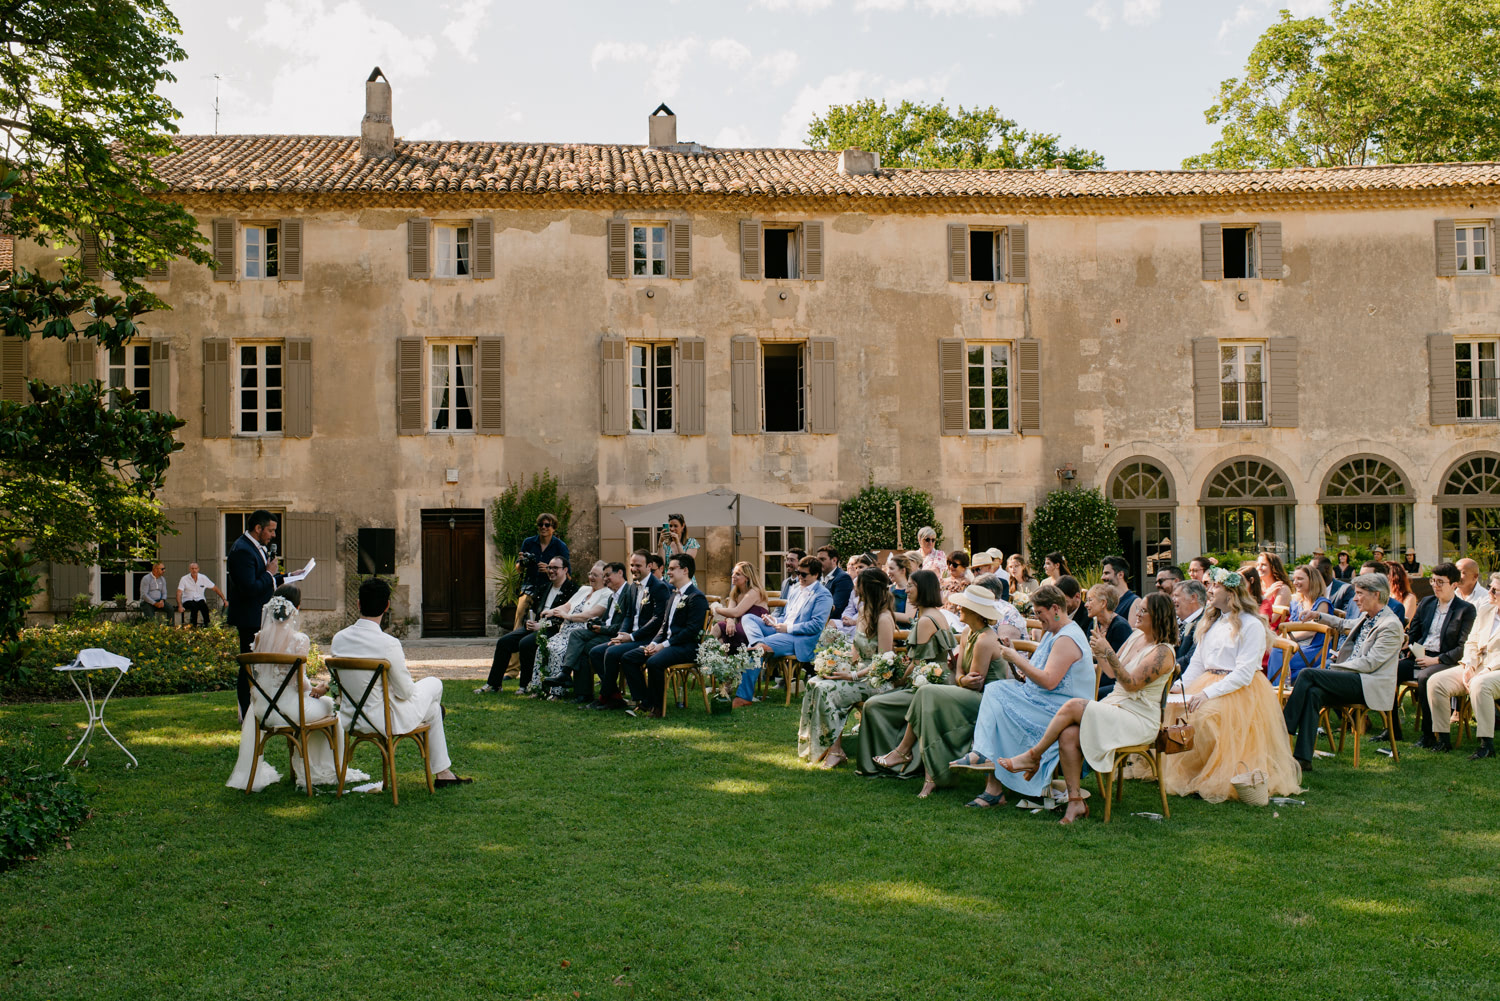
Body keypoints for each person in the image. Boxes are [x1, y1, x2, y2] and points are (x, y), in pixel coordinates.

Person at [997, 592, 1178, 825]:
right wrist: (1100, 652)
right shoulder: (1136, 638)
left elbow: (1132, 684)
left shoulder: (1163, 652)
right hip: (1116, 707)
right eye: (1140, 608)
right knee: (1068, 734)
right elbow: (1112, 674)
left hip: (1139, 718)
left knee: (1072, 705)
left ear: (1158, 616)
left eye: (1144, 611)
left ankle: (1034, 755)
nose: (1138, 613)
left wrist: (1109, 651)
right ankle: (1075, 802)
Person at [1160, 567, 1301, 803]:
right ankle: (1193, 772)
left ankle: (1219, 776)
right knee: (1177, 709)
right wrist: (1180, 686)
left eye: (1216, 586)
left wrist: (1206, 693)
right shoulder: (1211, 622)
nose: (1210, 591)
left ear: (1231, 593)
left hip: (1239, 688)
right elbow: (1197, 663)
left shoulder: (1251, 624)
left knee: (1206, 716)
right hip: (1208, 680)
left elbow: (1244, 673)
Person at [958, 583, 1097, 809]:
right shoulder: (1054, 633)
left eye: (1039, 614)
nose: (1038, 619)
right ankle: (989, 774)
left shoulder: (1067, 638)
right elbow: (1037, 675)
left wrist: (1015, 657)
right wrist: (1014, 656)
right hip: (1042, 702)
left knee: (997, 695)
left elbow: (1050, 681)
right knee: (998, 693)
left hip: (1060, 710)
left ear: (1055, 608)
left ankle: (985, 763)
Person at [227, 585, 371, 792]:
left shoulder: (260, 637)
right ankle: (319, 770)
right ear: (297, 607)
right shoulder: (299, 639)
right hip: (290, 710)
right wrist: (319, 687)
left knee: (321, 705)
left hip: (262, 710)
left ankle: (308, 769)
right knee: (330, 706)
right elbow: (300, 683)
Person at [331, 577, 469, 786]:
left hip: (352, 718)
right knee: (434, 683)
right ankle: (434, 716)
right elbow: (405, 693)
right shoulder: (388, 644)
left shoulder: (339, 639)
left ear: (358, 604)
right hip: (383, 720)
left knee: (431, 709)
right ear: (387, 606)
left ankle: (444, 774)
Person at [901, 584, 1014, 798]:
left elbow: (976, 683)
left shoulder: (984, 639)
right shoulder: (968, 632)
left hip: (987, 701)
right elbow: (962, 672)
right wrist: (961, 678)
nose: (957, 608)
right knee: (929, 705)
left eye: (963, 606)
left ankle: (904, 750)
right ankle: (930, 774)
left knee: (926, 693)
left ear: (975, 611)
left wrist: (961, 678)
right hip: (969, 694)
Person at [1284, 572, 1402, 768]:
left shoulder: (1390, 625)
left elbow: (1371, 664)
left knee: (1307, 673)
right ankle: (1303, 759)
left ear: (1376, 595)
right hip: (1353, 678)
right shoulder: (1369, 617)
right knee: (1313, 692)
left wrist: (1336, 668)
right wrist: (1318, 615)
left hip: (1369, 684)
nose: (1355, 598)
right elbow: (1343, 624)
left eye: (1360, 593)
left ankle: (1283, 728)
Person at [857, 570, 955, 778]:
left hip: (929, 685)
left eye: (911, 586)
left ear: (924, 589)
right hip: (936, 680)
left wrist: (899, 680)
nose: (906, 590)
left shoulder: (926, 620)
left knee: (874, 704)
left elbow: (917, 663)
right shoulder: (935, 614)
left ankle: (892, 760)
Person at [799, 568, 898, 767]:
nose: (854, 586)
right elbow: (856, 647)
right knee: (815, 682)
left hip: (875, 680)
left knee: (828, 691)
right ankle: (825, 747)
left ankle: (836, 751)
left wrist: (852, 676)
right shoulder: (863, 610)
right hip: (858, 672)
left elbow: (884, 662)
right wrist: (836, 663)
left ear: (867, 587)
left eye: (858, 583)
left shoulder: (884, 618)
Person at [618, 553, 709, 718]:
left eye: (673, 569)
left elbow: (691, 631)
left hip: (686, 647)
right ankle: (644, 701)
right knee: (629, 657)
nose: (668, 572)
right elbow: (663, 626)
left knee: (654, 662)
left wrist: (663, 646)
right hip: (667, 644)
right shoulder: (673, 595)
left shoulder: (697, 597)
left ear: (685, 571)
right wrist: (653, 643)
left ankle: (658, 708)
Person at [1423, 573, 1500, 758]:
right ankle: (1443, 739)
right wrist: (1469, 666)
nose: (1489, 591)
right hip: (1477, 665)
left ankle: (1486, 745)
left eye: (1495, 589)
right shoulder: (1486, 610)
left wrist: (1486, 670)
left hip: (1495, 670)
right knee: (1436, 681)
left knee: (1481, 684)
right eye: (1490, 586)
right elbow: (1472, 641)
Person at [740, 555, 834, 704]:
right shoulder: (796, 590)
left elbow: (816, 625)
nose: (799, 577)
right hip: (781, 630)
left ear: (816, 575)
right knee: (748, 618)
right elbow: (787, 616)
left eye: (804, 574)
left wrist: (787, 628)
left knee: (755, 650)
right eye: (798, 573)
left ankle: (743, 697)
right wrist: (774, 621)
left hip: (799, 639)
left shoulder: (823, 595)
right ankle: (758, 643)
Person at [476, 556, 577, 694]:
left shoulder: (572, 590)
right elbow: (534, 611)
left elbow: (566, 618)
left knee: (526, 643)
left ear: (565, 570)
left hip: (555, 630)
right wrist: (528, 622)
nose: (551, 571)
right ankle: (493, 684)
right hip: (535, 626)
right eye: (549, 567)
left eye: (555, 568)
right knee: (504, 642)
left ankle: (525, 685)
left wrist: (542, 626)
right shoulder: (544, 587)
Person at [587, 551, 671, 711]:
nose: (634, 569)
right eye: (632, 565)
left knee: (612, 653)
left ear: (649, 566)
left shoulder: (659, 587)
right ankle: (614, 696)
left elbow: (658, 620)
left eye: (638, 565)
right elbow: (628, 615)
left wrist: (631, 637)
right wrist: (621, 635)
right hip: (630, 636)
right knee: (595, 652)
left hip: (648, 639)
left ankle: (606, 697)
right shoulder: (633, 587)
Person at [1405, 562, 1477, 745]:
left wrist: (1434, 660)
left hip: (1446, 659)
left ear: (1454, 585)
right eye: (1433, 581)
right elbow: (1414, 633)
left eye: (1440, 582)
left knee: (1424, 677)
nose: (1435, 586)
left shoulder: (1465, 610)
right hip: (1420, 655)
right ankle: (1391, 730)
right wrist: (1406, 644)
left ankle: (1428, 735)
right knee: (1390, 670)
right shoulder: (1427, 603)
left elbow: (1463, 647)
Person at [227, 509, 284, 718]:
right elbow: (250, 587)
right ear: (258, 528)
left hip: (258, 615)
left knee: (257, 665)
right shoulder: (242, 550)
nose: (273, 535)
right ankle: (245, 712)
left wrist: (286, 577)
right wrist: (270, 574)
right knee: (248, 666)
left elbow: (262, 577)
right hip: (249, 618)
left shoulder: (254, 547)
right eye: (270, 530)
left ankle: (257, 707)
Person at [534, 561, 612, 698]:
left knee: (557, 651)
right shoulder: (584, 589)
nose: (591, 577)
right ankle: (540, 688)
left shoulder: (607, 594)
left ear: (604, 578)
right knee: (543, 648)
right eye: (590, 574)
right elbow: (567, 605)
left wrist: (567, 616)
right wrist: (553, 611)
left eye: (595, 575)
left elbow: (590, 615)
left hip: (580, 631)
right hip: (565, 629)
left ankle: (557, 692)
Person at [567, 562, 631, 703]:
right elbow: (608, 620)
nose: (605, 579)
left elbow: (621, 625)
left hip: (617, 635)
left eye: (608, 575)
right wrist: (597, 624)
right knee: (577, 634)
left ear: (620, 573)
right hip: (605, 631)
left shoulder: (629, 593)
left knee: (586, 649)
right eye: (604, 576)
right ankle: (575, 685)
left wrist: (602, 629)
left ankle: (607, 694)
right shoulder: (612, 596)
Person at [1276, 563, 1333, 686]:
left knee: (1279, 654)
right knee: (1275, 652)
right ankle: (1280, 688)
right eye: (1294, 579)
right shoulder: (1296, 602)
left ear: (1312, 581)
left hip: (1316, 647)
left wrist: (1283, 638)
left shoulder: (1322, 603)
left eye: (1300, 579)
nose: (1295, 582)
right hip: (1297, 645)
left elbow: (1311, 630)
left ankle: (1277, 690)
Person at [515, 513, 569, 625]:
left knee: (543, 621)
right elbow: (518, 569)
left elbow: (567, 574)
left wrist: (550, 570)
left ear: (554, 528)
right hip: (529, 587)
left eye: (547, 525)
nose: (543, 527)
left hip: (548, 588)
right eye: (540, 524)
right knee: (519, 618)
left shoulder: (560, 546)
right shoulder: (529, 543)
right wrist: (522, 562)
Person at [709, 561, 769, 652]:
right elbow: (731, 612)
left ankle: (701, 656)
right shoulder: (735, 593)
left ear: (747, 578)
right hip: (741, 630)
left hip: (754, 632)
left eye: (737, 574)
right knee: (721, 642)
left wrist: (715, 608)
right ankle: (706, 660)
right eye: (733, 573)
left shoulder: (755, 591)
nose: (733, 576)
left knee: (719, 626)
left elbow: (736, 612)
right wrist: (730, 621)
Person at [834, 553, 876, 637]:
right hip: (852, 621)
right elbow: (850, 607)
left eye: (861, 567)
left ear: (870, 566)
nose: (857, 570)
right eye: (856, 568)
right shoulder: (856, 585)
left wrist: (853, 621)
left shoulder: (875, 585)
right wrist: (846, 617)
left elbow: (873, 613)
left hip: (866, 624)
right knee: (831, 624)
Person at [176, 562, 226, 628]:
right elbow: (179, 593)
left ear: (198, 569)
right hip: (188, 600)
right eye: (192, 568)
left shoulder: (203, 578)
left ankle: (207, 625)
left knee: (204, 606)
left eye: (195, 568)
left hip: (200, 599)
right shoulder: (184, 579)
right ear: (189, 569)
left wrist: (224, 599)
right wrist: (180, 605)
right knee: (194, 607)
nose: (194, 570)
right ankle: (193, 626)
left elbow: (215, 588)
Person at [1174, 579, 1207, 670]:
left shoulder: (1205, 623)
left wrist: (1163, 668)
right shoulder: (1175, 621)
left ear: (1193, 598)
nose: (1173, 600)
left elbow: (1190, 659)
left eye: (1176, 596)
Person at [816, 545, 853, 619]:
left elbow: (836, 608)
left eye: (822, 559)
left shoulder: (843, 578)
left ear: (834, 560)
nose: (818, 563)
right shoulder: (817, 577)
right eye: (817, 560)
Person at [1101, 555, 1138, 620]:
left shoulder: (1135, 602)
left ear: (1120, 575)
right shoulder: (1105, 602)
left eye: (1106, 573)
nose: (1102, 577)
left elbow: (1132, 630)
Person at [885, 551, 916, 622]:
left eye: (892, 568)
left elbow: (909, 618)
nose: (888, 572)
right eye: (888, 568)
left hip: (904, 631)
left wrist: (884, 614)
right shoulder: (890, 588)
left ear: (903, 570)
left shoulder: (911, 590)